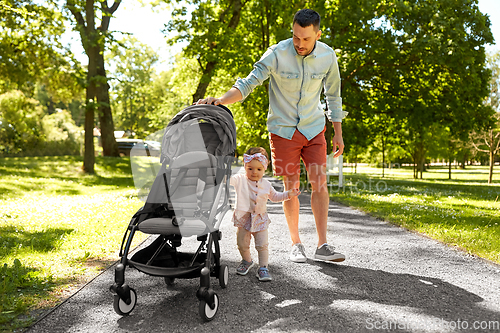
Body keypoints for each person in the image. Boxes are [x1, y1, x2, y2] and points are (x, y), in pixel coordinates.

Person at [197, 9, 347, 263]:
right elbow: (248, 83)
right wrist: (221, 100)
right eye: (296, 37)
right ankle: (296, 243)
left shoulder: (327, 56)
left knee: (319, 184)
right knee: (292, 188)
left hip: (313, 127)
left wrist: (338, 132)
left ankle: (322, 245)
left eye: (306, 39)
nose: (300, 44)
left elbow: (333, 96)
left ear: (318, 35)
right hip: (284, 130)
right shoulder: (277, 53)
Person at [230, 147, 300, 281]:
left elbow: (275, 197)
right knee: (242, 243)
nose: (254, 172)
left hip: (260, 219)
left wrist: (288, 194)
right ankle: (247, 261)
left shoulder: (266, 184)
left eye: (258, 169)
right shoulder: (240, 180)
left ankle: (263, 267)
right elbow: (228, 180)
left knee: (262, 245)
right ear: (245, 167)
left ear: (264, 169)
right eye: (250, 168)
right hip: (243, 218)